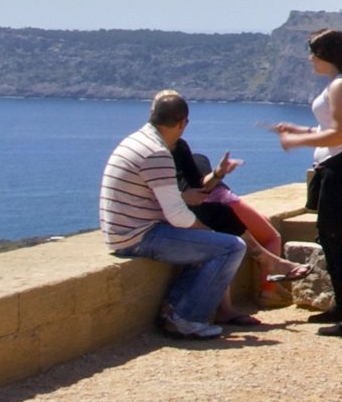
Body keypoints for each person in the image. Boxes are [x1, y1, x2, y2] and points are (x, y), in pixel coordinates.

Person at [100, 90, 245, 340]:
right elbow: (178, 215)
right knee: (231, 247)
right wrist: (208, 234)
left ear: (152, 115)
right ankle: (186, 318)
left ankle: (175, 311)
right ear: (182, 123)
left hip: (123, 232)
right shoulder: (157, 153)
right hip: (140, 237)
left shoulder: (137, 140)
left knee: (207, 246)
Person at [275, 28, 342, 338]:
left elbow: (339, 135)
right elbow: (334, 128)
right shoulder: (341, 84)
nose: (310, 59)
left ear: (326, 54)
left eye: (313, 52)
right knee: (332, 240)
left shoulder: (341, 85)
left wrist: (296, 140)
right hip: (339, 168)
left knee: (339, 243)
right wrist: (302, 129)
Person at [169, 118, 309, 299]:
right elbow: (209, 190)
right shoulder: (191, 157)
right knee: (271, 236)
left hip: (198, 209)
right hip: (221, 203)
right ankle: (269, 290)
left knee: (249, 229)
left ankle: (228, 307)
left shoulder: (172, 160)